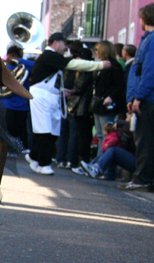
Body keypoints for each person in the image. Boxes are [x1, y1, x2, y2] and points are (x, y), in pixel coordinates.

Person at [26, 33, 110, 175]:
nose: (67, 48)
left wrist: (61, 91)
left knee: (53, 131)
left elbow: (50, 79)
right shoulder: (49, 55)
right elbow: (73, 64)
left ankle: (35, 156)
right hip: (42, 97)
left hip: (51, 96)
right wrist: (99, 65)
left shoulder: (51, 59)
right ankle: (44, 163)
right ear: (56, 43)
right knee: (45, 130)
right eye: (65, 44)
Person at [121, 3, 154, 191]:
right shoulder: (153, 38)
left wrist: (138, 96)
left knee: (145, 140)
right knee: (142, 138)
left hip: (148, 97)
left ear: (145, 18)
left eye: (140, 17)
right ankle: (141, 177)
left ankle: (143, 178)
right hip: (145, 96)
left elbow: (149, 70)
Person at [90, 40, 125, 154]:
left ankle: (101, 163)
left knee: (106, 136)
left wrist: (110, 97)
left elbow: (120, 85)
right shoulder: (101, 65)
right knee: (100, 134)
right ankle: (99, 162)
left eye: (98, 50)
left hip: (106, 105)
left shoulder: (114, 66)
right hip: (98, 104)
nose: (96, 52)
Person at [0, 45, 32, 151]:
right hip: (7, 104)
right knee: (6, 128)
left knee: (19, 130)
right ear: (7, 56)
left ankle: (16, 149)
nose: (12, 57)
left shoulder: (23, 67)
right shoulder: (3, 68)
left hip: (21, 105)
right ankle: (6, 149)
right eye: (11, 55)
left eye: (15, 56)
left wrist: (20, 60)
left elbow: (35, 66)